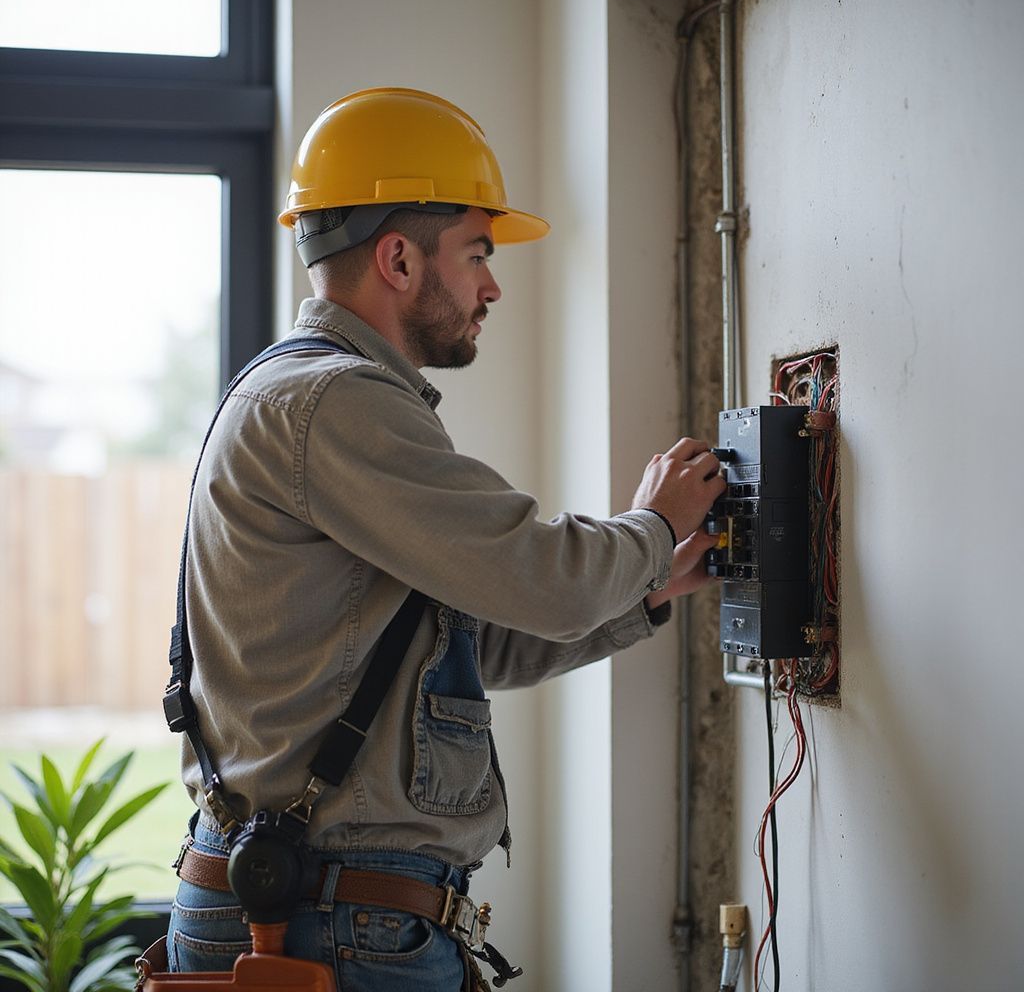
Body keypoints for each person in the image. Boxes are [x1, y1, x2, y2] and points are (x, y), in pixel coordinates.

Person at [164, 87, 725, 992]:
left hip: (321, 910)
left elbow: (463, 647)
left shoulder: (312, 401)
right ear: (396, 257)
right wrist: (654, 526)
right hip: (331, 922)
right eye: (476, 254)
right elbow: (547, 577)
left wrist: (650, 589)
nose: (491, 286)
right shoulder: (333, 405)